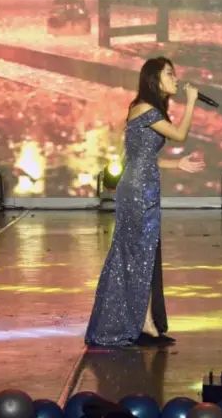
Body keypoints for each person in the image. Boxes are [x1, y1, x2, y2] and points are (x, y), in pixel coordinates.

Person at [85, 58, 205, 347]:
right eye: (169, 74)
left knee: (144, 255)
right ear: (154, 78)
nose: (176, 79)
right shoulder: (145, 109)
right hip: (138, 191)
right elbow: (179, 135)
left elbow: (144, 159)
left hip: (143, 187)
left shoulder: (148, 109)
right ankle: (125, 324)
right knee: (136, 255)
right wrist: (191, 102)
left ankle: (146, 323)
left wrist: (178, 165)